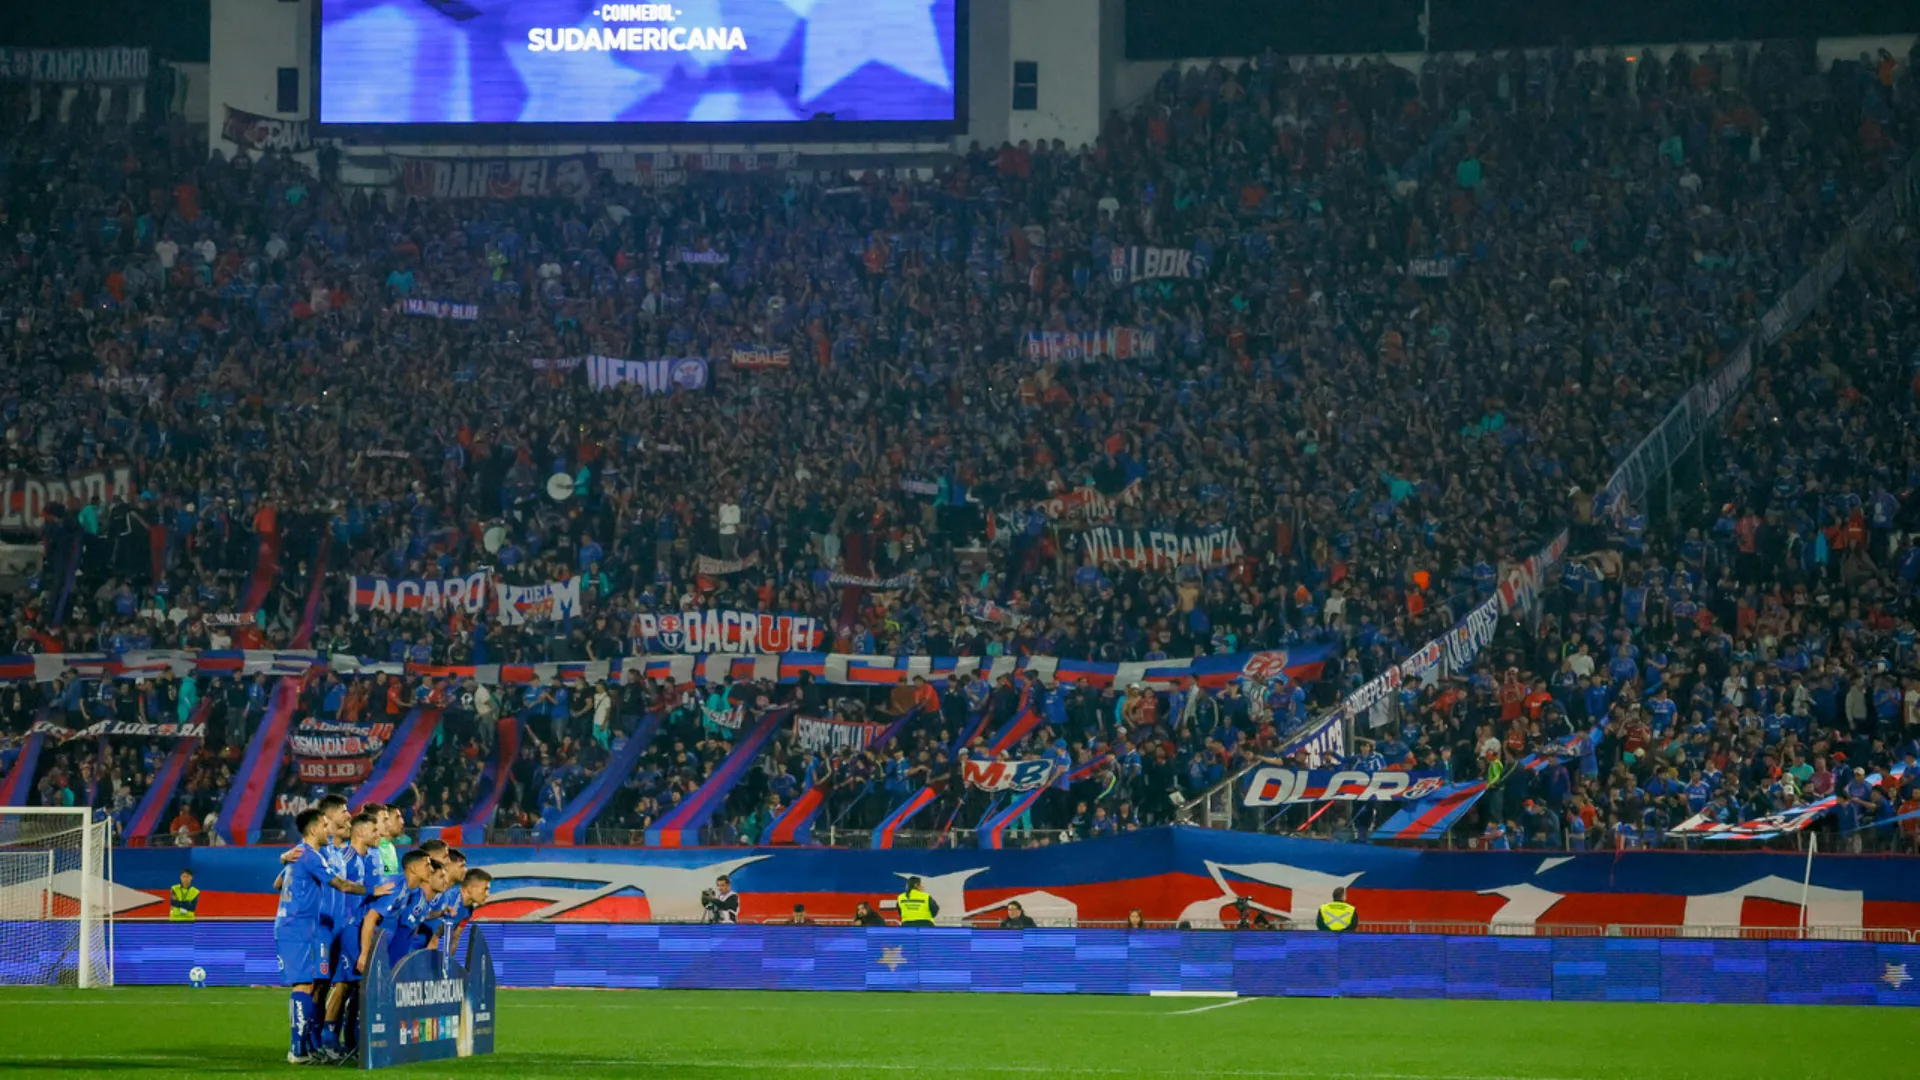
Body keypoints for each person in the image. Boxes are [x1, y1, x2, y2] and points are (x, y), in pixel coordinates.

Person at [274, 808, 388, 1065]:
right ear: (315, 829)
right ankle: (299, 1048)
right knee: (306, 985)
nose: (329, 829)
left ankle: (305, 1047)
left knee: (314, 985)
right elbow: (342, 885)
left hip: (307, 928)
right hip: (299, 928)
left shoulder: (307, 854)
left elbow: (279, 884)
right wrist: (375, 889)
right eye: (325, 825)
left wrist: (286, 859)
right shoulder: (311, 854)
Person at [318, 811, 381, 1063]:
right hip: (345, 929)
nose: (379, 835)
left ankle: (348, 1038)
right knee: (343, 984)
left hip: (360, 927)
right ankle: (328, 1039)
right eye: (374, 830)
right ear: (360, 832)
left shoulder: (369, 858)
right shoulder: (345, 857)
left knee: (354, 985)